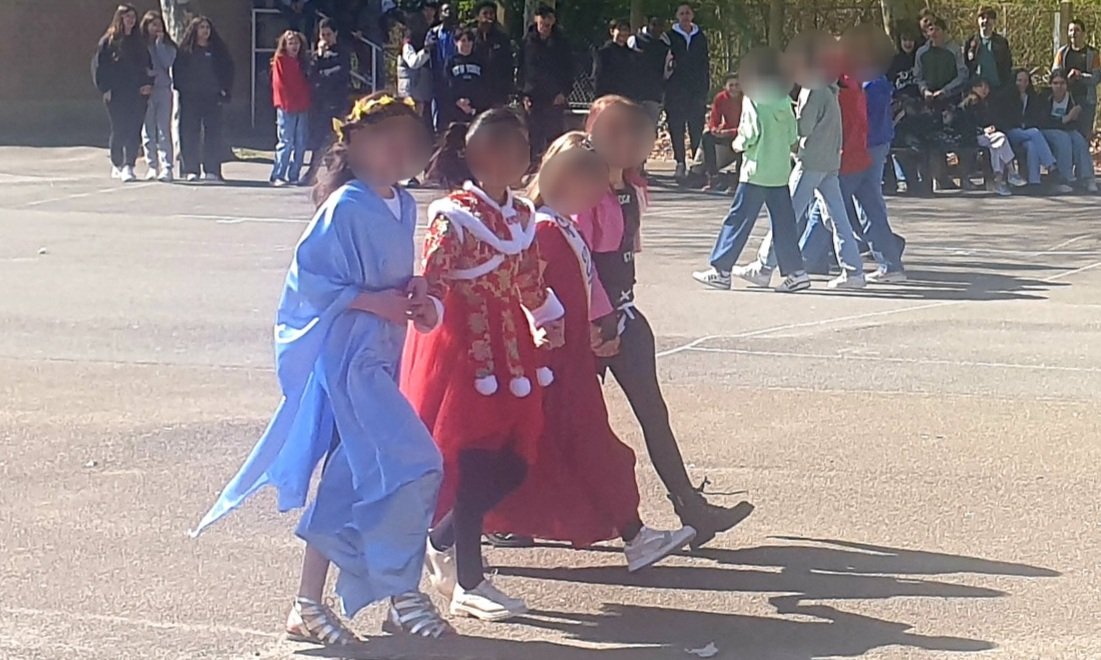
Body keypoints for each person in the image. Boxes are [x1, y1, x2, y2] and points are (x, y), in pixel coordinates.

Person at [191, 92, 451, 645]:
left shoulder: (402, 205)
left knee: (349, 477)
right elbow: (310, 281)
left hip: (380, 358)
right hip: (350, 362)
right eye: (385, 138)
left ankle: (309, 604)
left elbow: (398, 284)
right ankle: (402, 593)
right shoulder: (346, 206)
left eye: (408, 140)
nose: (398, 150)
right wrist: (370, 300)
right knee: (417, 462)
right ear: (353, 143)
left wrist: (419, 300)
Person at [440, 132, 697, 574]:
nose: (598, 196)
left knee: (556, 457)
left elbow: (587, 287)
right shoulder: (542, 229)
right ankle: (447, 535)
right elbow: (530, 296)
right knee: (559, 454)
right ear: (564, 181)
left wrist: (601, 325)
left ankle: (447, 535)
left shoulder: (562, 226)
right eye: (591, 187)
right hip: (552, 367)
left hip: (572, 359)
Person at [402, 108, 566, 622]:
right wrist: (424, 306)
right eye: (517, 149)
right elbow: (434, 280)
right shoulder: (454, 216)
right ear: (487, 156)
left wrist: (545, 316)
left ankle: (441, 537)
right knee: (472, 462)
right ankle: (469, 581)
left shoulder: (519, 215)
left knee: (514, 461)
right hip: (466, 349)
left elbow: (528, 280)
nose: (526, 158)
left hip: (511, 347)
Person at [583, 96, 754, 545]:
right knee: (558, 424)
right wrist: (596, 319)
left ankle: (692, 509)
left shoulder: (631, 189)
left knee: (653, 414)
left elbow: (624, 254)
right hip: (588, 323)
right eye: (613, 132)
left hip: (622, 313)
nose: (626, 142)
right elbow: (577, 260)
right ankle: (495, 516)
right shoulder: (584, 192)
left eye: (633, 133)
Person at [738, 32, 864, 290]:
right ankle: (853, 270)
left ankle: (764, 267)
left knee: (786, 217)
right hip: (829, 160)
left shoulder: (813, 89)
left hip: (811, 161)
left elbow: (802, 128)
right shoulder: (829, 86)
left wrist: (786, 117)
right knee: (838, 216)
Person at [692, 48, 809, 293]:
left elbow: (750, 134)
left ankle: (721, 269)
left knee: (737, 219)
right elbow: (792, 136)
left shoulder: (755, 98)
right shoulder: (784, 98)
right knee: (784, 224)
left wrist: (736, 145)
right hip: (778, 170)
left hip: (756, 171)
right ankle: (795, 272)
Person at [92, 4, 153, 183]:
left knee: (134, 129)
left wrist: (148, 85)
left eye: (133, 17)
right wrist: (105, 88)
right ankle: (117, 163)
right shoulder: (108, 41)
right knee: (120, 129)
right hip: (116, 93)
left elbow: (148, 67)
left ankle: (129, 165)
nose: (131, 20)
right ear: (120, 18)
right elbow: (98, 67)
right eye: (127, 17)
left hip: (137, 92)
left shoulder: (139, 42)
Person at [174, 16, 234, 183]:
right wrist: (183, 89)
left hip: (213, 97)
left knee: (213, 133)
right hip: (190, 98)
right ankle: (190, 170)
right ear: (194, 30)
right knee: (188, 133)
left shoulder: (218, 50)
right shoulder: (185, 51)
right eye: (201, 27)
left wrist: (225, 90)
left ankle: (212, 170)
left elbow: (228, 69)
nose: (205, 31)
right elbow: (178, 72)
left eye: (207, 27)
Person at [518, 5, 575, 158]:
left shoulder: (561, 43)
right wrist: (523, 95)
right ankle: (531, 170)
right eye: (542, 20)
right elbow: (521, 69)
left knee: (554, 138)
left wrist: (564, 92)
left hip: (555, 97)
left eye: (549, 20)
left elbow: (569, 69)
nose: (545, 24)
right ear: (536, 19)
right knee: (533, 138)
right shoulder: (527, 41)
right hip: (533, 97)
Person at [302, 18, 351, 187]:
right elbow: (310, 74)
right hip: (319, 103)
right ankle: (313, 174)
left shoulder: (342, 53)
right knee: (318, 139)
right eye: (322, 35)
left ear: (335, 34)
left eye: (328, 34)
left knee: (334, 139)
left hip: (337, 102)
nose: (325, 38)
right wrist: (318, 56)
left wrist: (322, 73)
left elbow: (340, 73)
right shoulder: (317, 55)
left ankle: (336, 174)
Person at [665, 3, 710, 180]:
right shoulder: (669, 37)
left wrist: (704, 88)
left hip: (696, 90)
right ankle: (680, 163)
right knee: (676, 127)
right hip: (675, 90)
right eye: (681, 13)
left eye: (688, 13)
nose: (685, 16)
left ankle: (696, 166)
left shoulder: (700, 37)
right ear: (677, 16)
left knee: (696, 127)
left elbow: (705, 64)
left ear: (692, 15)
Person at [1002, 69, 1064, 193]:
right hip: (1011, 132)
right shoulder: (1007, 97)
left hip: (1027, 133)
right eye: (1019, 80)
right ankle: (1051, 166)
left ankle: (1034, 182)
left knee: (1032, 145)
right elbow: (1006, 120)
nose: (1022, 84)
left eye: (1025, 81)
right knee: (1035, 133)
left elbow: (1035, 117)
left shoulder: (1032, 97)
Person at [959, 77, 1025, 195]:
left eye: (986, 87)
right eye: (981, 86)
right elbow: (968, 124)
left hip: (985, 137)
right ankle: (1011, 172)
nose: (984, 90)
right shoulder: (972, 101)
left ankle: (998, 182)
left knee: (996, 147)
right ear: (974, 88)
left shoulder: (987, 102)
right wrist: (983, 130)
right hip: (972, 136)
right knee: (1001, 138)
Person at [1039, 69, 1099, 193]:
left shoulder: (1072, 98)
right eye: (1055, 83)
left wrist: (1071, 119)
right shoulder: (1044, 97)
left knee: (1078, 139)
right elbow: (1043, 121)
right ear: (1051, 84)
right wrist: (1065, 119)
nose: (1059, 87)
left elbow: (1077, 120)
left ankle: (1087, 177)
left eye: (1062, 83)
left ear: (1066, 85)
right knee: (1063, 139)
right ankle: (1064, 178)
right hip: (1047, 130)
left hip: (1067, 129)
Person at [270, 31, 312, 186]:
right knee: (286, 141)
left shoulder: (304, 61)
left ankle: (294, 174)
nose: (294, 46)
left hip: (303, 104)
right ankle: (278, 174)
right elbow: (280, 84)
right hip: (286, 105)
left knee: (301, 142)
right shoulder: (280, 60)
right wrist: (286, 101)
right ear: (285, 45)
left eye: (296, 43)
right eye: (291, 43)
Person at [139, 11, 176, 183]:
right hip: (146, 90)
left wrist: (160, 44)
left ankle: (167, 166)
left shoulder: (167, 45)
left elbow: (168, 62)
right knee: (148, 129)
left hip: (163, 89)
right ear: (146, 26)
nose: (156, 28)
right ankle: (152, 165)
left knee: (163, 129)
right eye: (153, 25)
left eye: (159, 25)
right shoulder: (140, 45)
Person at [691, 72, 742, 190]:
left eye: (737, 85)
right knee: (707, 137)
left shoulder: (746, 99)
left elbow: (748, 125)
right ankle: (713, 176)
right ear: (725, 87)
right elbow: (714, 119)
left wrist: (731, 131)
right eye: (731, 85)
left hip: (740, 132)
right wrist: (714, 129)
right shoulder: (720, 98)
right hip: (727, 132)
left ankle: (738, 181)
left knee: (742, 143)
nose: (734, 88)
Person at [1053, 19, 1101, 138]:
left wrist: (1080, 76)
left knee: (1084, 135)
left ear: (1084, 33)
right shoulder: (1062, 53)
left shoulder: (1093, 54)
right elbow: (1055, 73)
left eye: (1077, 30)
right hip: (1066, 99)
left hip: (1086, 99)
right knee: (1065, 134)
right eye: (1071, 30)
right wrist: (1066, 78)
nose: (1073, 33)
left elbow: (1096, 78)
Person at [442, 29, 491, 128]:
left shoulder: (480, 61)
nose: (467, 44)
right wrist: (457, 101)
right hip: (455, 110)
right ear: (456, 42)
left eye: (469, 40)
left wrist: (473, 104)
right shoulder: (451, 62)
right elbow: (446, 84)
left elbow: (486, 84)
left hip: (476, 109)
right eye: (463, 40)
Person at [914, 18, 969, 103]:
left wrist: (945, 91)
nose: (934, 33)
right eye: (931, 30)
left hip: (951, 98)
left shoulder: (954, 50)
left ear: (944, 31)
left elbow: (962, 75)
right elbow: (918, 77)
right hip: (928, 99)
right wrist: (924, 90)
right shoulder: (921, 53)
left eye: (937, 29)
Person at [628, 16, 671, 124]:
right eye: (654, 25)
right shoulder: (635, 40)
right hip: (634, 93)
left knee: (649, 128)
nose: (657, 29)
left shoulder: (665, 46)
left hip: (654, 94)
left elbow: (667, 72)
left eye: (660, 26)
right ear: (648, 25)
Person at [473, 1, 515, 109]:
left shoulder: (502, 38)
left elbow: (508, 65)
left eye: (491, 13)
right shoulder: (471, 37)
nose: (489, 17)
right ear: (478, 16)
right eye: (485, 13)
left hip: (497, 92)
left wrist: (508, 90)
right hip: (475, 91)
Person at [425, 2, 460, 131]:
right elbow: (427, 50)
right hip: (437, 74)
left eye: (451, 10)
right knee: (438, 107)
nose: (448, 13)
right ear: (440, 15)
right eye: (445, 11)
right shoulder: (433, 33)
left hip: (455, 75)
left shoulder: (459, 32)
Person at [964, 6, 1013, 92]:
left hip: (997, 89)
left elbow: (1007, 65)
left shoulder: (1001, 42)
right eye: (982, 18)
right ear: (978, 20)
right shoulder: (971, 42)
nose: (985, 21)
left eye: (989, 18)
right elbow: (966, 65)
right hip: (977, 89)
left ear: (994, 21)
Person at [397, 23, 433, 135]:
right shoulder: (407, 47)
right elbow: (413, 63)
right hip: (410, 90)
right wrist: (426, 51)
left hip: (419, 91)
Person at [594, 19, 640, 100]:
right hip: (609, 98)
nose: (623, 33)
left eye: (626, 30)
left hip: (628, 98)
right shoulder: (604, 53)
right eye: (620, 29)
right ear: (612, 31)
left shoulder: (633, 55)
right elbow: (598, 77)